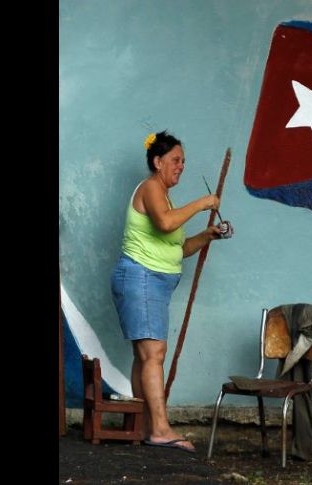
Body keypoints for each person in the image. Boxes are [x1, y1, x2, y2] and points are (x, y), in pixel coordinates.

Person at [110, 131, 225, 453]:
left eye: (184, 161)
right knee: (153, 355)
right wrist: (203, 203)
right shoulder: (150, 188)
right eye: (176, 160)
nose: (181, 166)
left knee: (145, 357)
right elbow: (164, 223)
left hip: (151, 280)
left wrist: (207, 236)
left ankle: (144, 427)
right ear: (157, 162)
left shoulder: (164, 194)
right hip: (141, 278)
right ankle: (160, 429)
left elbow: (176, 248)